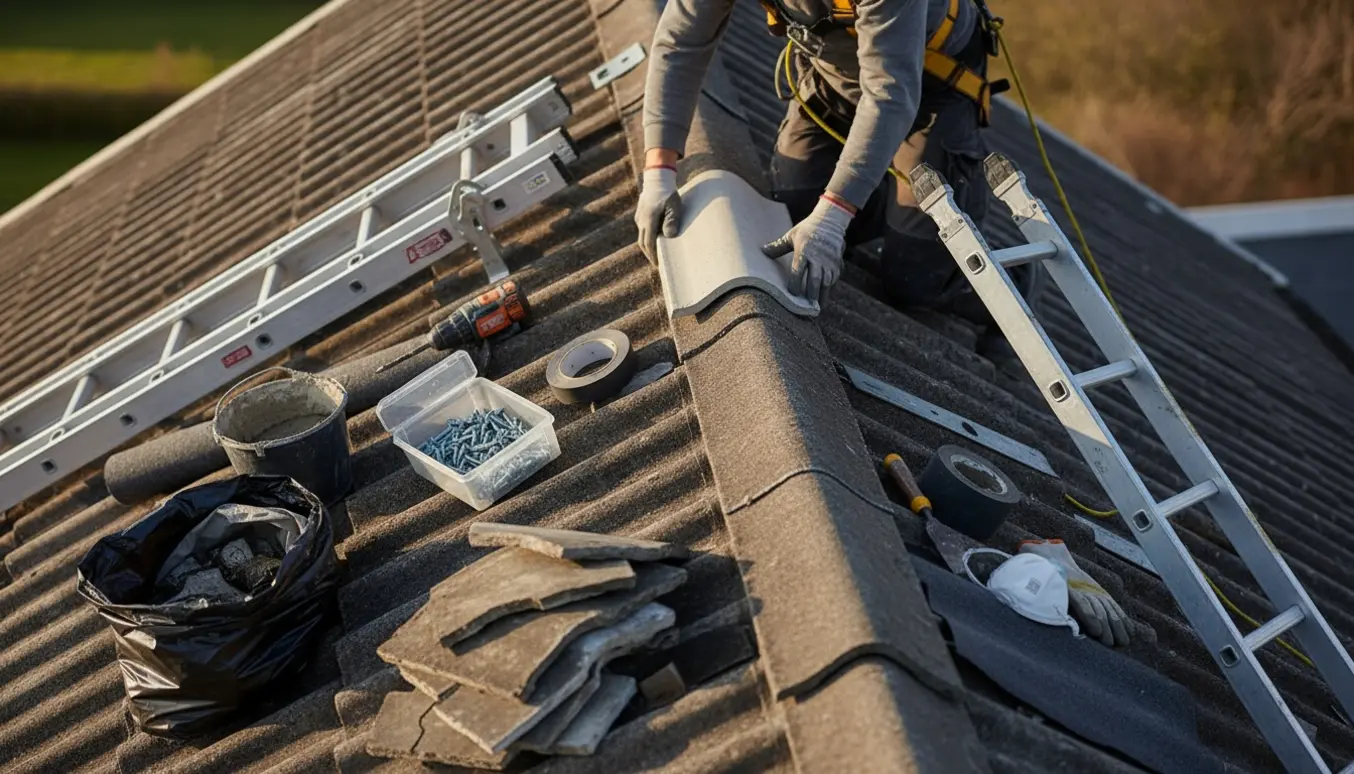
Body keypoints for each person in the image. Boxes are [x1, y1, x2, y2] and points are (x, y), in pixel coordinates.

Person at [636, 0, 1030, 359]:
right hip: (835, 80)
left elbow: (891, 96)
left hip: (930, 87)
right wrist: (659, 170)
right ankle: (883, 199)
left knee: (913, 277)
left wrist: (835, 213)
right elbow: (681, 42)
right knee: (790, 213)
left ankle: (1018, 279)